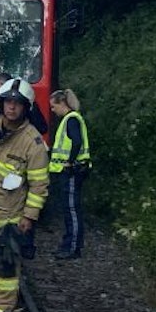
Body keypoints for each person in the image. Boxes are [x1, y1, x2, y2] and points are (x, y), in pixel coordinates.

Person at [0, 79, 51, 312]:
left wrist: (29, 216)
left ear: (26, 108)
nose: (12, 107)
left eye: (17, 103)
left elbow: (39, 185)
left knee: (6, 263)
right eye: (8, 102)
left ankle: (4, 310)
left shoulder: (33, 143)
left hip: (8, 215)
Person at [48, 89, 91, 259]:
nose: (52, 110)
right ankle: (69, 245)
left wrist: (70, 162)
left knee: (72, 209)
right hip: (70, 171)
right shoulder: (70, 119)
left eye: (53, 106)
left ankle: (72, 248)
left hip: (72, 171)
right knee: (69, 209)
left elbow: (77, 142)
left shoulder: (71, 119)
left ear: (62, 104)